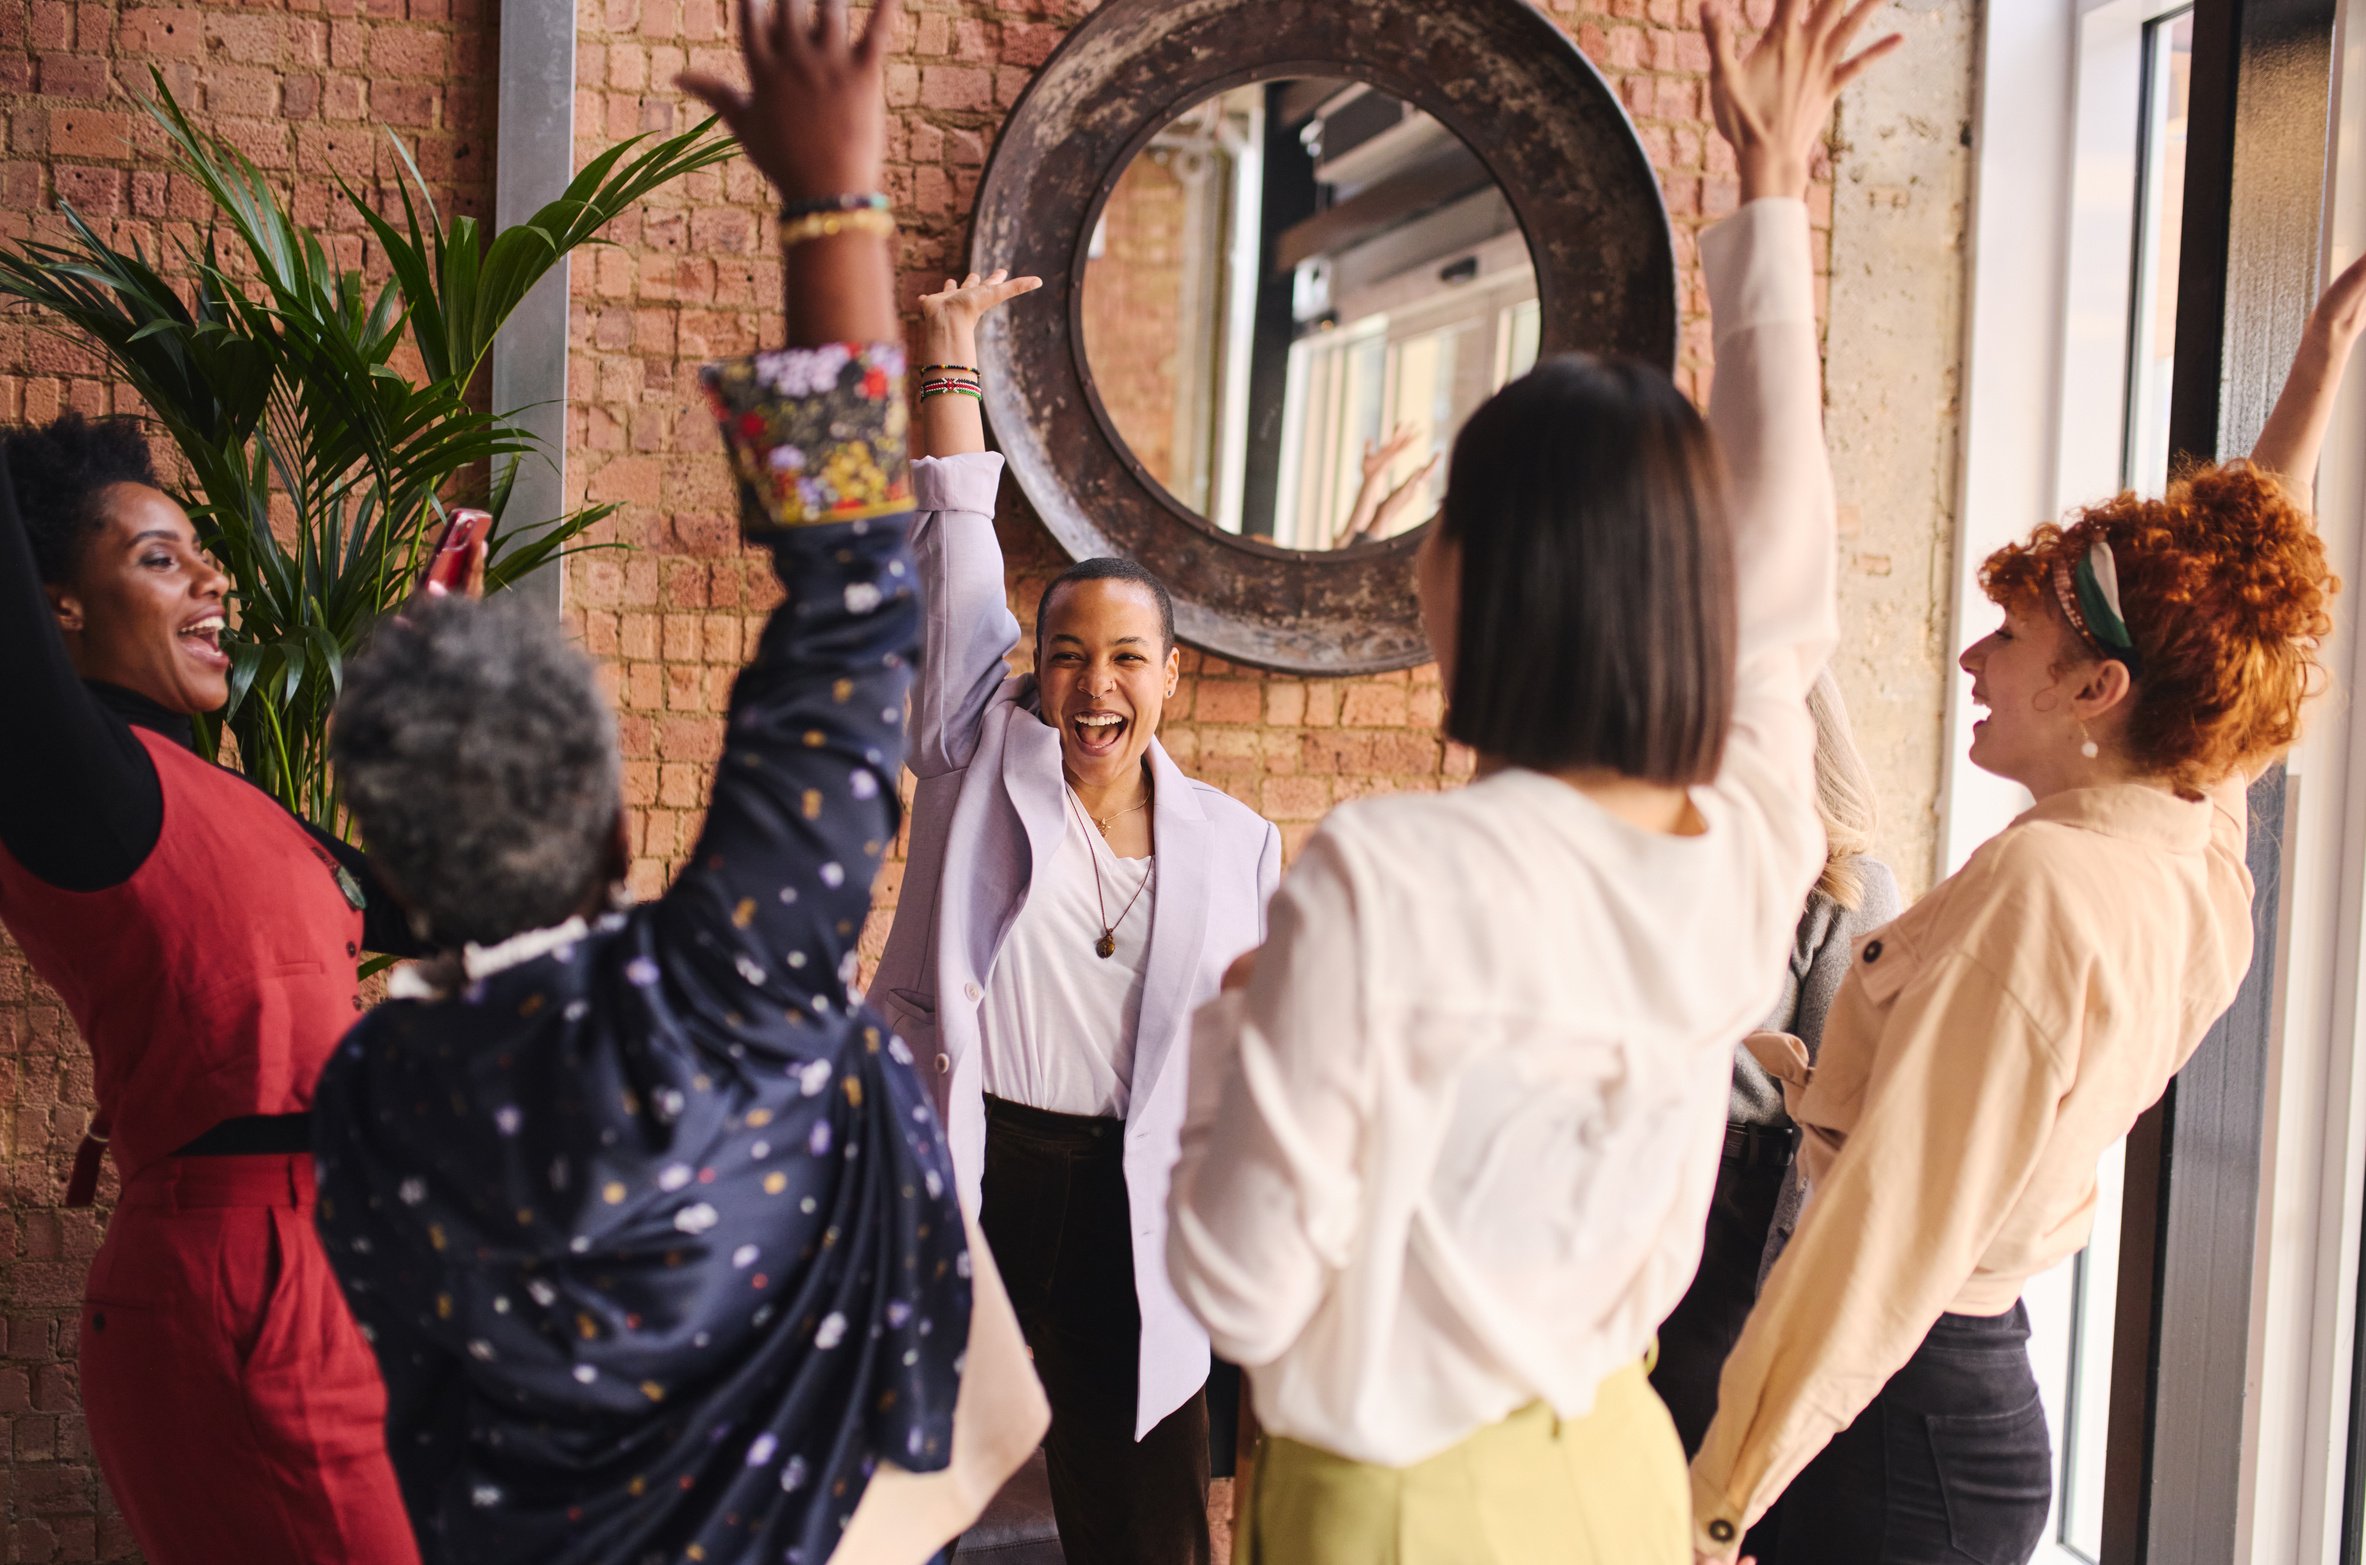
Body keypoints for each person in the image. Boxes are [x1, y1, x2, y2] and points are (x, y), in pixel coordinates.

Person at [308, 3, 1047, 1560]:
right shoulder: (730, 981)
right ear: (614, 822)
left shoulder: (374, 1099)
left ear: (389, 870)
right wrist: (827, 200)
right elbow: (850, 591)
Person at [1161, 2, 1899, 1559]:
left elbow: (1236, 1286)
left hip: (1399, 1511)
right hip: (1615, 1475)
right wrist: (1769, 188)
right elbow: (1779, 600)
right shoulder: (1740, 848)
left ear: (1483, 577)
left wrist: (1229, 1029)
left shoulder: (1385, 880)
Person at [1683, 182, 2363, 1565]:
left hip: (1891, 1435)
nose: (1969, 662)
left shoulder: (2046, 895)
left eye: (2006, 638)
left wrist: (1711, 1506)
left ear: (2100, 687)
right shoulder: (2187, 845)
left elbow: (1884, 1245)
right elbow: (2221, 658)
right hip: (1955, 1411)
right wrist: (2309, 379)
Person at [872, 266, 1282, 1564]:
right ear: (1028, 665)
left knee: (1144, 1524)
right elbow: (956, 548)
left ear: (1173, 675)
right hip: (981, 1165)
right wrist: (945, 354)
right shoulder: (973, 748)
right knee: (903, 1493)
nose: (1090, 683)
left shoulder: (1236, 844)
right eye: (1064, 653)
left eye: (1122, 658)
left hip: (1135, 1201)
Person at [0, 417, 442, 1557]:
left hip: (338, 1263)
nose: (213, 575)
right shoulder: (74, 777)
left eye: (198, 552)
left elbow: (440, 901)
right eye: (158, 556)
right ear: (57, 607)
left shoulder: (231, 800)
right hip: (238, 1287)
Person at [1648, 674, 1901, 1533]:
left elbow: (1835, 1098)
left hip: (1737, 1200)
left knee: (1684, 1436)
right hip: (1634, 1156)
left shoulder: (1848, 888)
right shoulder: (1659, 852)